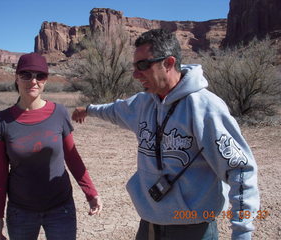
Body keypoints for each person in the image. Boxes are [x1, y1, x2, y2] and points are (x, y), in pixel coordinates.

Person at [72, 29, 260, 240]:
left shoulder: (205, 108)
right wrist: (87, 109)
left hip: (193, 229)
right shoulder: (142, 103)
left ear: (169, 63)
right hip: (149, 224)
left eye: (143, 65)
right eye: (134, 67)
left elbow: (240, 171)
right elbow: (114, 110)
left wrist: (242, 233)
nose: (135, 74)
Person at [0, 52, 102, 240]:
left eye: (40, 76)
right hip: (21, 212)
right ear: (16, 78)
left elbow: (72, 157)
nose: (33, 81)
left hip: (60, 208)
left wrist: (91, 193)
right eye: (26, 75)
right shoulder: (2, 120)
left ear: (46, 80)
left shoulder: (59, 113)